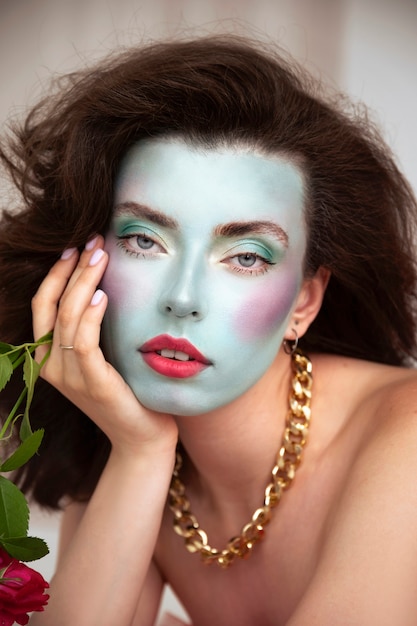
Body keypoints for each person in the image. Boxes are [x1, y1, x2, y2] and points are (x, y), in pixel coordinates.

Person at [1, 35, 417, 626]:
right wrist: (141, 453)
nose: (182, 299)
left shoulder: (407, 437)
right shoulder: (125, 440)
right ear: (79, 268)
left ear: (305, 299)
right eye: (144, 240)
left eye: (246, 256)